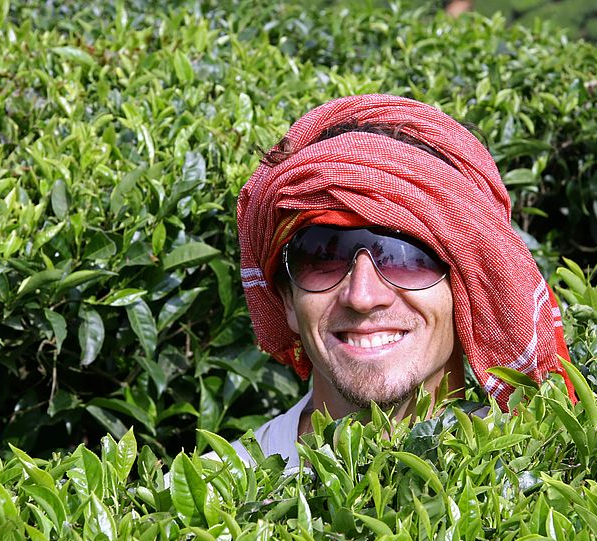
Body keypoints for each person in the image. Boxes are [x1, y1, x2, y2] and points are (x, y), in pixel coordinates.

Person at [226, 94, 575, 470]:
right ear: (289, 301)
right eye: (322, 257)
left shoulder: (552, 478)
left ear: (468, 289)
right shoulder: (209, 496)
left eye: (408, 257)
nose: (362, 297)